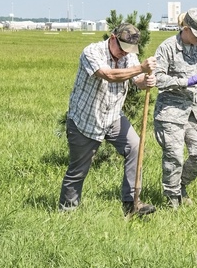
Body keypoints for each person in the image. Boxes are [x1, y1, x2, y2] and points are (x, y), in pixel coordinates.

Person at [59, 23, 158, 216]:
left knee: (135, 146)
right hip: (85, 120)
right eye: (122, 48)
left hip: (113, 117)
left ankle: (132, 204)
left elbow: (136, 80)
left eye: (129, 50)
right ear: (113, 38)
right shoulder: (92, 52)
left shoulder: (129, 55)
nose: (124, 53)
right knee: (78, 170)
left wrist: (144, 81)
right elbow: (109, 75)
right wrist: (140, 68)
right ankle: (67, 213)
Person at [153, 8, 197, 208]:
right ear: (186, 29)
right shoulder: (167, 48)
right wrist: (184, 81)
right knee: (174, 156)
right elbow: (157, 78)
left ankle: (181, 185)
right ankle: (172, 199)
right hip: (171, 110)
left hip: (195, 110)